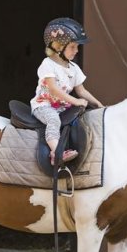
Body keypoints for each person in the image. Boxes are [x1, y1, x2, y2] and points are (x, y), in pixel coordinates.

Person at [31, 17, 104, 165]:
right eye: (72, 47)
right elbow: (53, 89)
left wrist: (99, 104)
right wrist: (75, 101)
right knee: (53, 120)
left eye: (77, 47)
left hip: (63, 107)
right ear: (58, 46)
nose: (76, 51)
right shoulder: (48, 64)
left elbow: (82, 91)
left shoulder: (74, 68)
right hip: (44, 106)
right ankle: (56, 153)